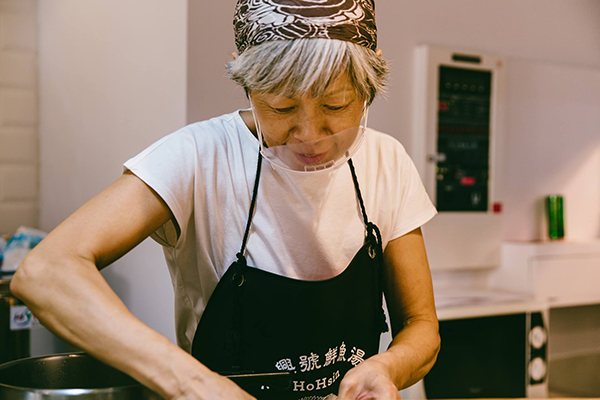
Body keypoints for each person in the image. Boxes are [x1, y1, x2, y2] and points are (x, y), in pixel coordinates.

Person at [11, 1, 440, 399]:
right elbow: (47, 273)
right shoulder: (199, 157)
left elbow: (420, 326)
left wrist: (389, 368)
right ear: (248, 84)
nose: (310, 135)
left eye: (336, 104)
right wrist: (194, 385)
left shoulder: (386, 161)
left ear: (372, 82)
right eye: (282, 107)